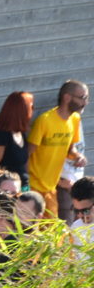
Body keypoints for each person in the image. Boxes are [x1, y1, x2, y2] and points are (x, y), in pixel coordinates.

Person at [27, 80, 88, 217]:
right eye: (82, 97)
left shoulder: (75, 119)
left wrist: (78, 157)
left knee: (52, 234)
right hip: (34, 186)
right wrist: (25, 187)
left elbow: (70, 150)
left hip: (51, 188)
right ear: (67, 97)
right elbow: (27, 154)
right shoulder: (45, 120)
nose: (85, 102)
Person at [0, 91, 33, 197]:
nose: (33, 110)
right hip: (7, 199)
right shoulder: (2, 136)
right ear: (21, 110)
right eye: (31, 107)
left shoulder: (21, 134)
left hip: (22, 194)